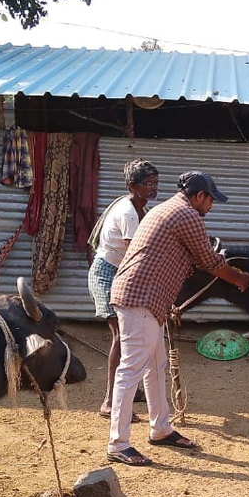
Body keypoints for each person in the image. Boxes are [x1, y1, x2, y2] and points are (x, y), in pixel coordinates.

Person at [106, 170, 249, 467]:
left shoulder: (166, 209)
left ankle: (160, 429)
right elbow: (211, 262)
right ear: (199, 196)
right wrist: (239, 278)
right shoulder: (186, 215)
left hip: (145, 298)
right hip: (141, 298)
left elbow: (179, 256)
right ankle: (118, 443)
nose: (212, 206)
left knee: (155, 365)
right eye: (211, 200)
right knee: (131, 370)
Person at [88, 159, 160, 419]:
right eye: (147, 183)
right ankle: (110, 402)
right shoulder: (129, 213)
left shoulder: (139, 208)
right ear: (132, 185)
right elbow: (136, 256)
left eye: (155, 182)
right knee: (123, 337)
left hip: (118, 272)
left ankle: (132, 390)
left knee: (131, 336)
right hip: (108, 275)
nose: (153, 188)